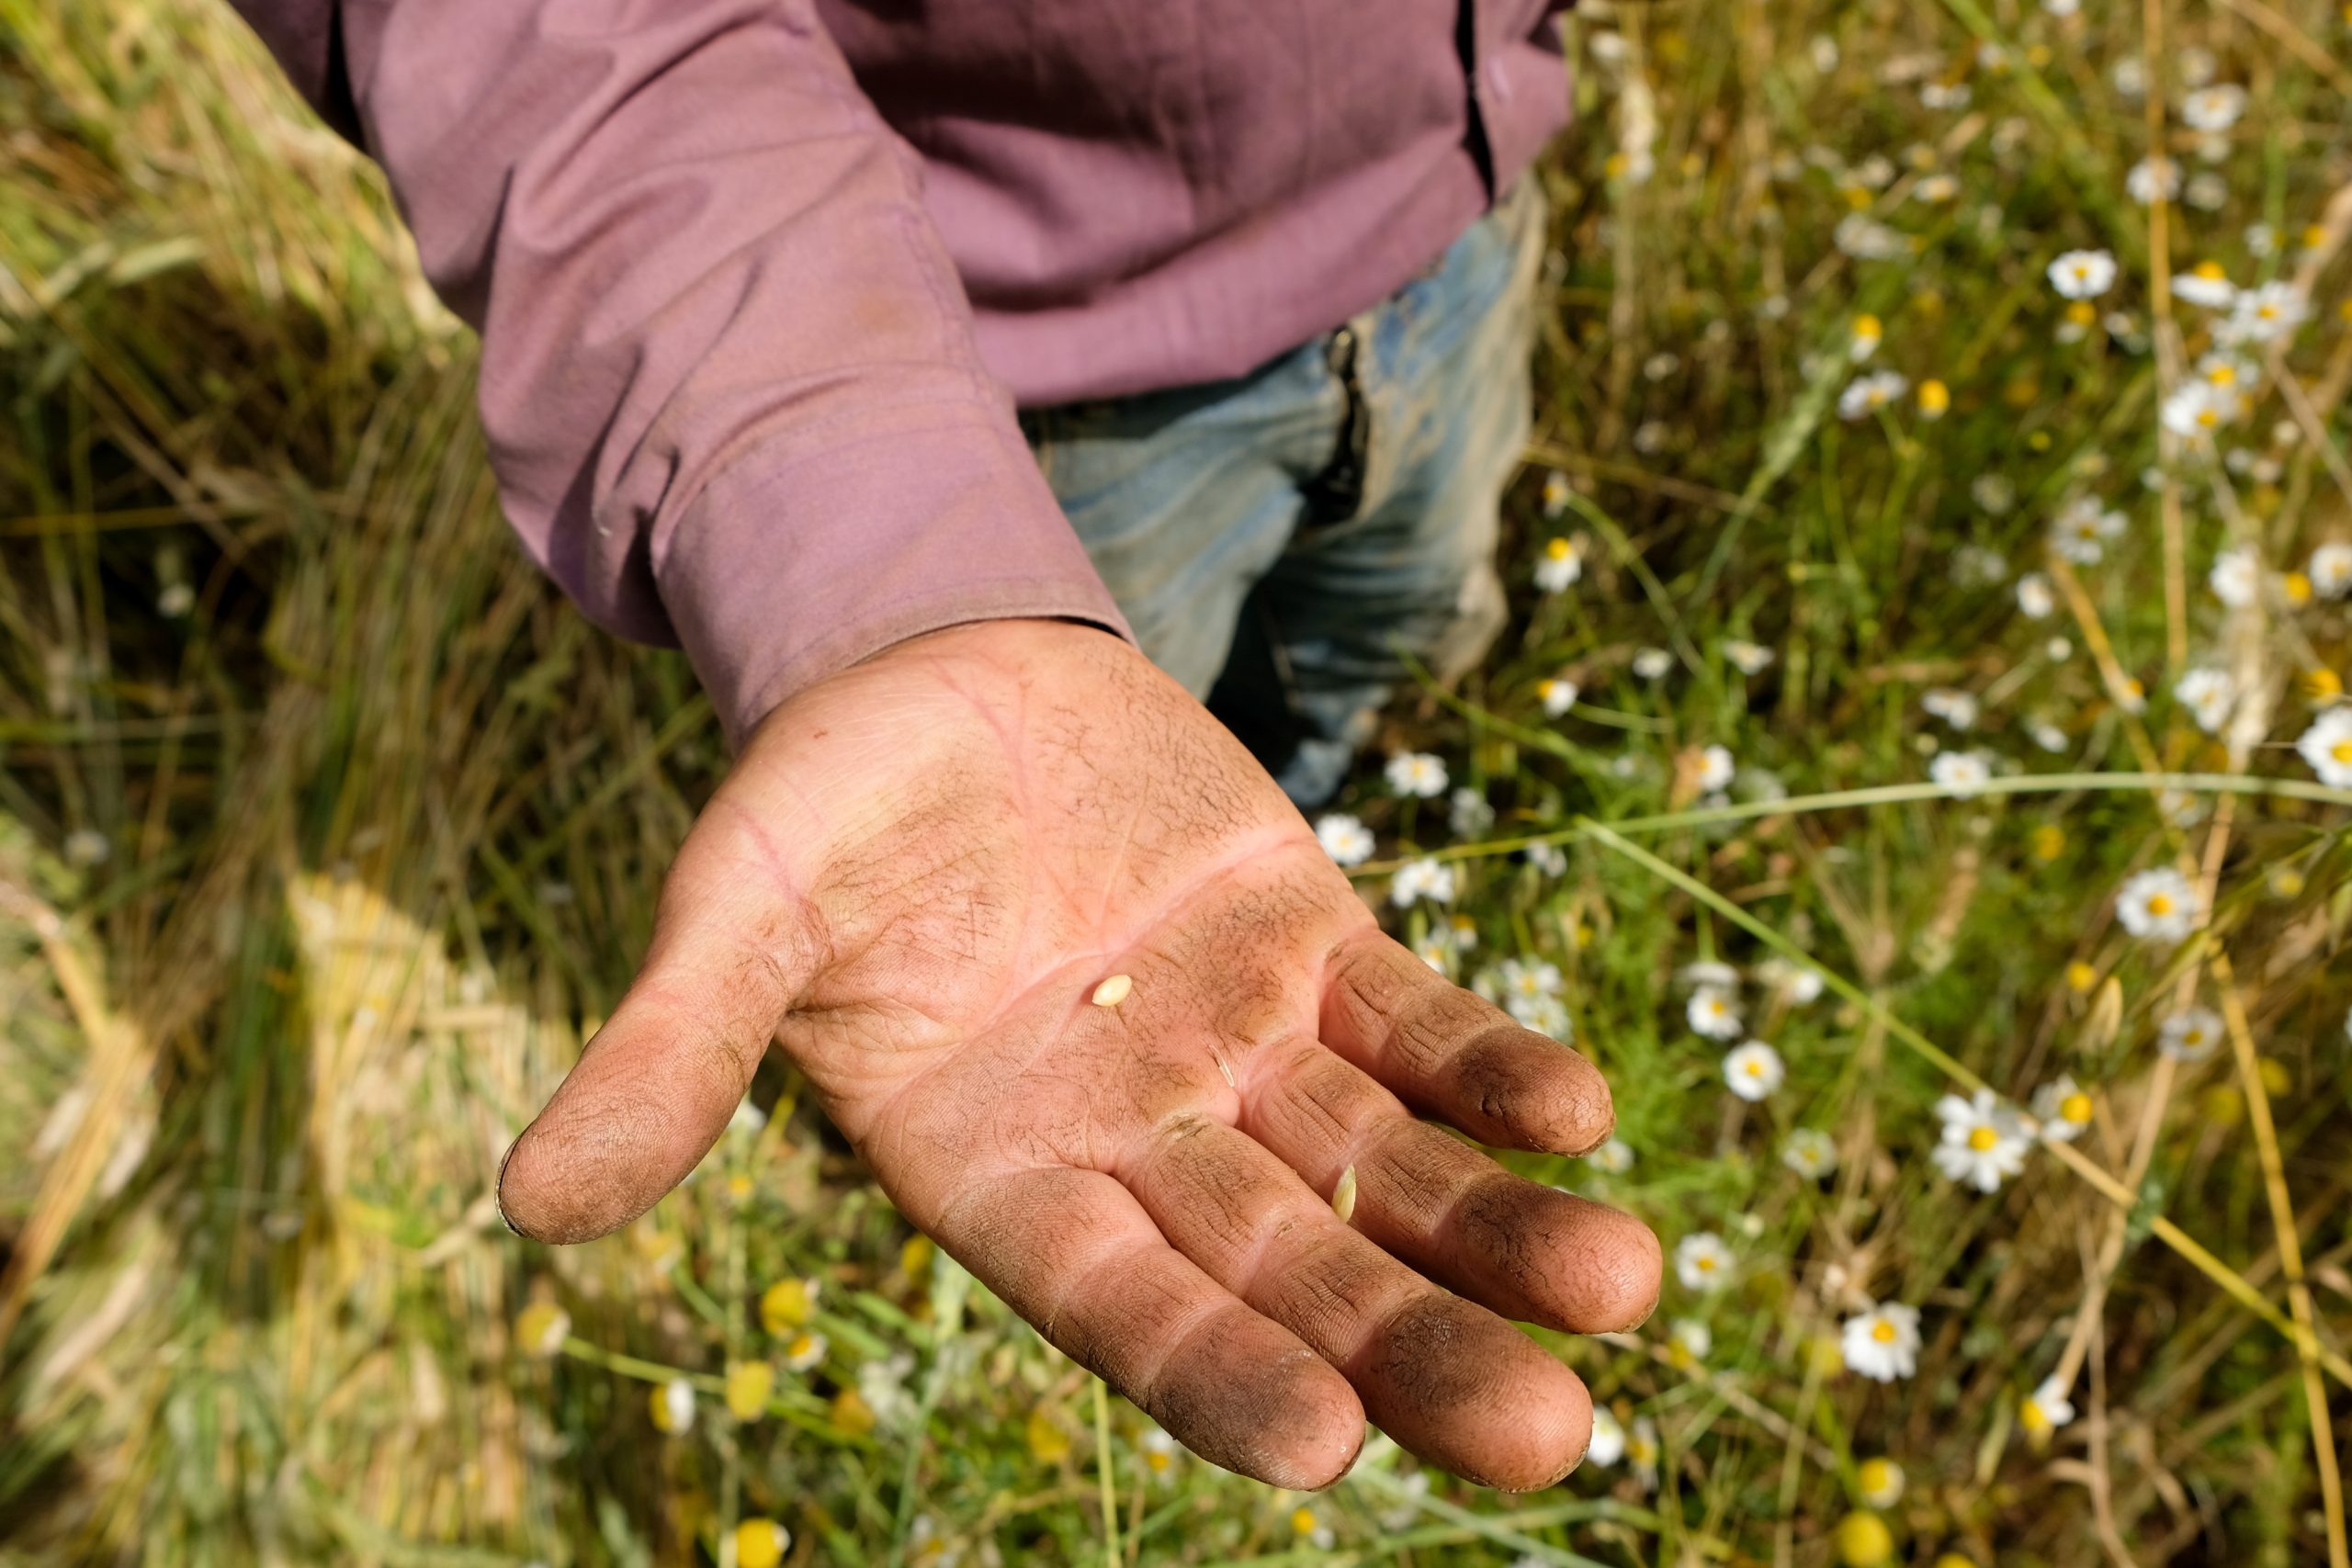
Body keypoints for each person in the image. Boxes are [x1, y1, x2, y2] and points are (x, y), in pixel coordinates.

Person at [229, 0, 1661, 1492]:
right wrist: (889, 575)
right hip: (1025, 403)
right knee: (1128, 737)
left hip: (1462, 226)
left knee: (1392, 636)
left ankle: (1305, 804)